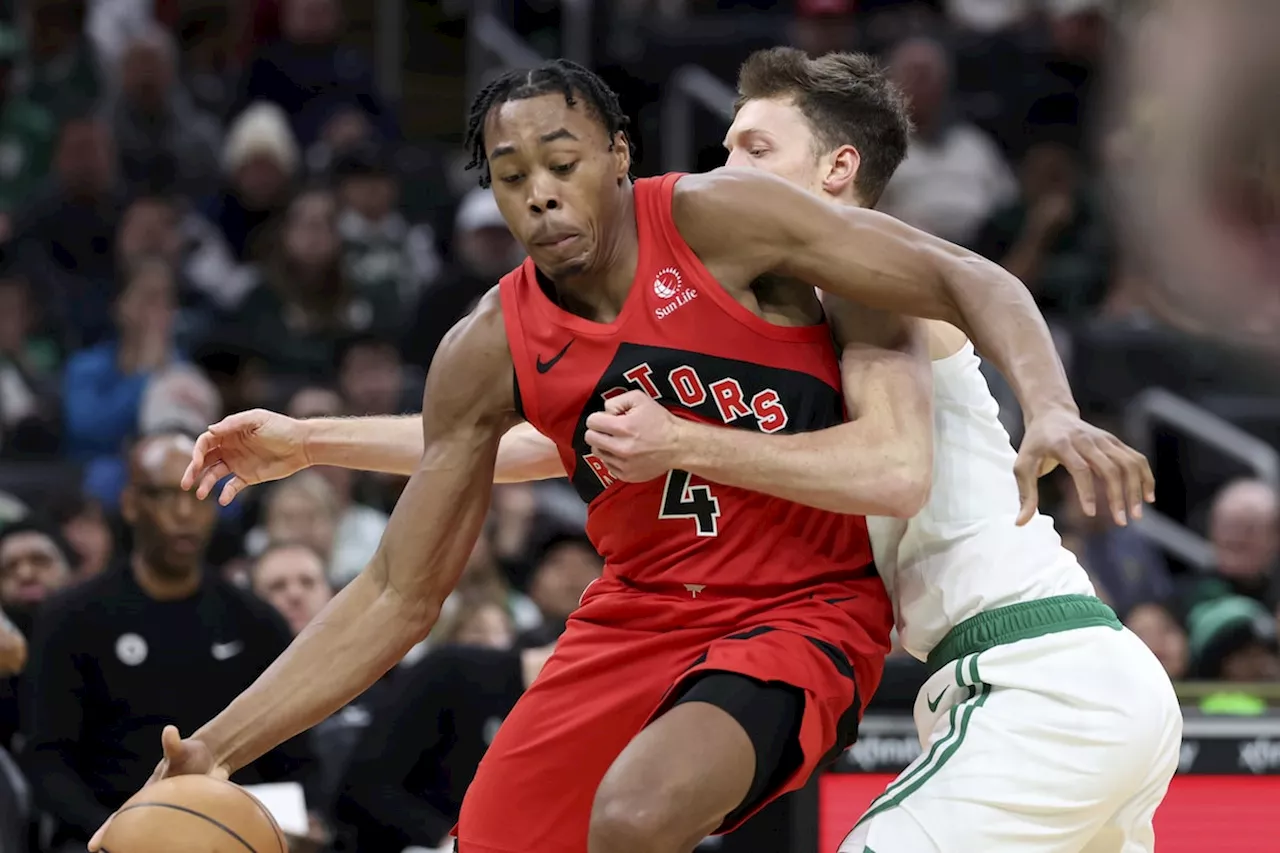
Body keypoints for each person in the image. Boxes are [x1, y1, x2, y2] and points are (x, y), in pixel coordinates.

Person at [126, 59, 1150, 853]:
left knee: (631, 815)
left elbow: (957, 309)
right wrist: (216, 746)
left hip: (799, 607)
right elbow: (401, 585)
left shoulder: (745, 234)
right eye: (508, 175)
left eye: (560, 162)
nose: (535, 193)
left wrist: (1049, 407)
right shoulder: (488, 342)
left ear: (618, 155)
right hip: (638, 611)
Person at [26, 433, 318, 852]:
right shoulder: (71, 617)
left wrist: (302, 820)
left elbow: (299, 758)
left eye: (200, 493)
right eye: (166, 495)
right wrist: (120, 831)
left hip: (233, 827)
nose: (185, 513)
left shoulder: (255, 620)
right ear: (130, 504)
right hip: (110, 826)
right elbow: (47, 760)